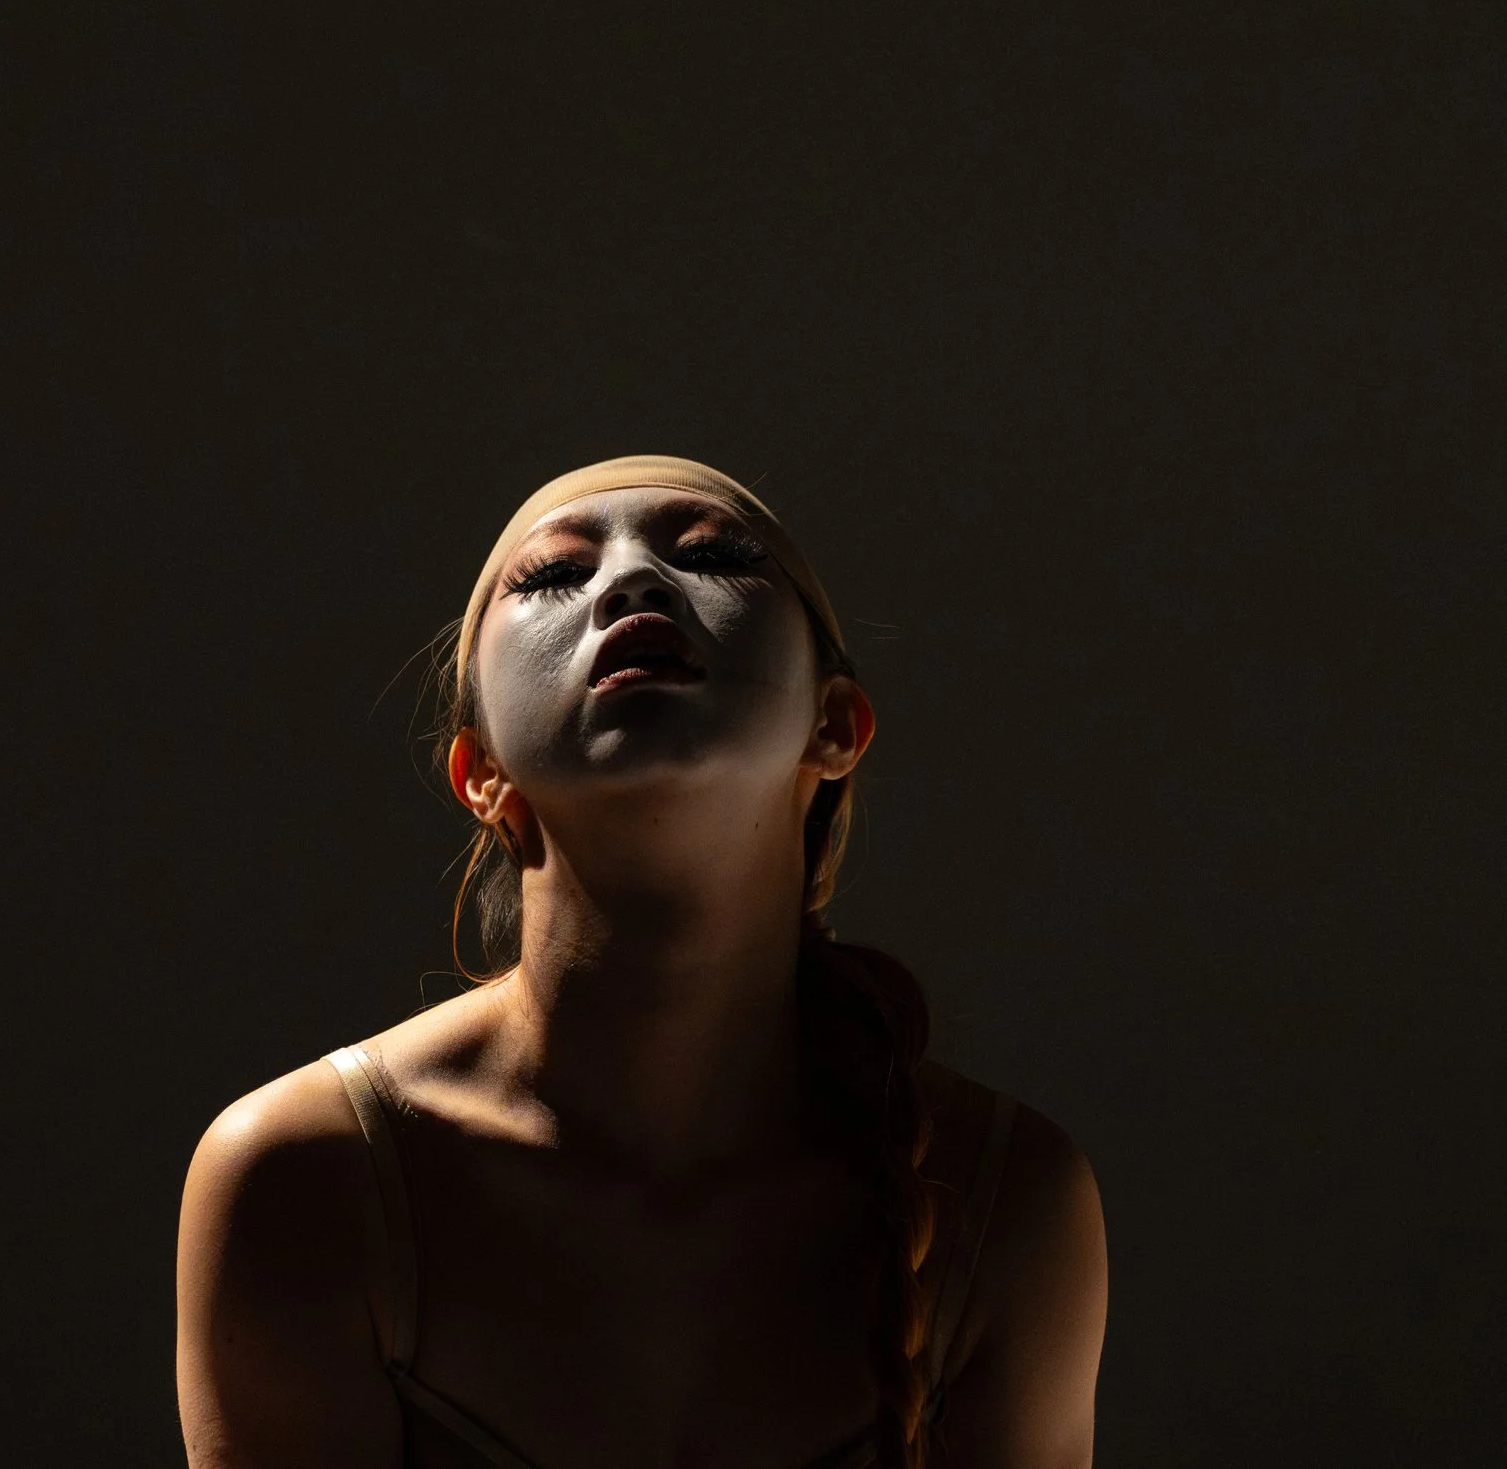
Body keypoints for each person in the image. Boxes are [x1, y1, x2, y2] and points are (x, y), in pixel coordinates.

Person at [176, 456, 1107, 1468]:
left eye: (712, 555)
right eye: (553, 575)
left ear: (835, 724)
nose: (632, 580)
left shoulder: (1000, 1198)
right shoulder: (308, 1180)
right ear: (480, 772)